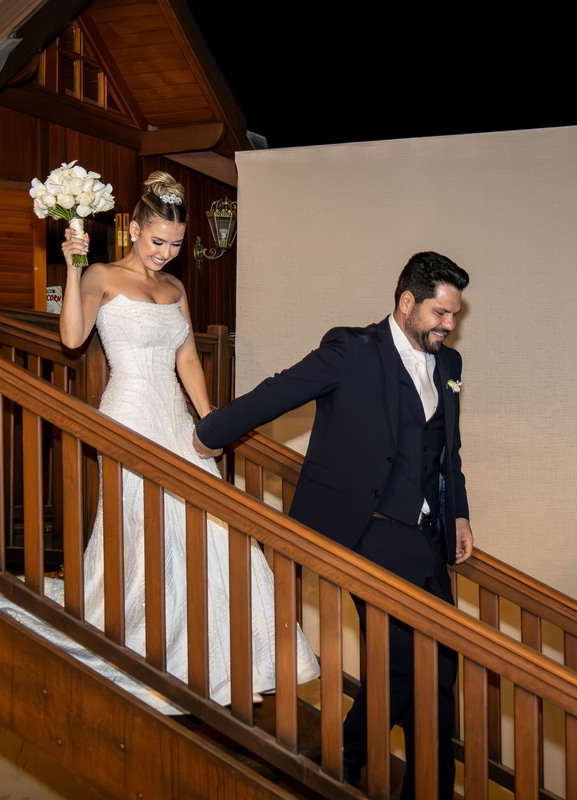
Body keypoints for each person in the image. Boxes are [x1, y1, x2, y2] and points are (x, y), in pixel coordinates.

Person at [193, 251, 474, 797]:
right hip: (367, 529)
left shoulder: (450, 366)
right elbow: (279, 391)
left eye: (454, 315)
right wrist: (210, 434)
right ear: (407, 302)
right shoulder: (353, 349)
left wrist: (458, 511)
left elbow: (449, 452)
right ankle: (342, 759)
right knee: (402, 661)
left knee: (441, 667)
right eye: (440, 313)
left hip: (424, 536)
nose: (449, 324)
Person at [48, 171, 318, 710]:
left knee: (215, 525)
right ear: (134, 231)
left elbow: (188, 357)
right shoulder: (101, 274)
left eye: (174, 244)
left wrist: (210, 420)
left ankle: (213, 660)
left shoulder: (175, 288)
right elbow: (73, 338)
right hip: (128, 413)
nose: (166, 253)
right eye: (157, 241)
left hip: (174, 415)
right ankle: (141, 646)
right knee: (147, 525)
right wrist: (73, 266)